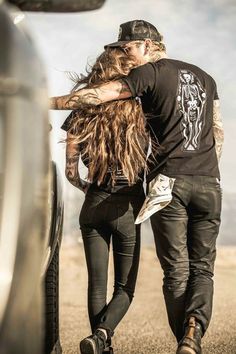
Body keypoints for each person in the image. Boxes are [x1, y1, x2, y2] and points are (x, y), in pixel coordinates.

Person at [50, 20, 224, 354]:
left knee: (175, 272)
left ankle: (171, 343)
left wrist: (38, 100)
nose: (125, 54)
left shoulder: (149, 74)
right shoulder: (206, 77)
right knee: (202, 268)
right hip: (206, 183)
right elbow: (216, 132)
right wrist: (209, 171)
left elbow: (96, 96)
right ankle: (192, 334)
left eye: (127, 47)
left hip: (166, 183)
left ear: (147, 44)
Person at [58, 47, 151, 354]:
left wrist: (88, 188)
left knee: (96, 284)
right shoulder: (141, 110)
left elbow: (71, 173)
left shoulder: (81, 112)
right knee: (124, 288)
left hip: (93, 204)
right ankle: (101, 335)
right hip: (127, 208)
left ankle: (101, 345)